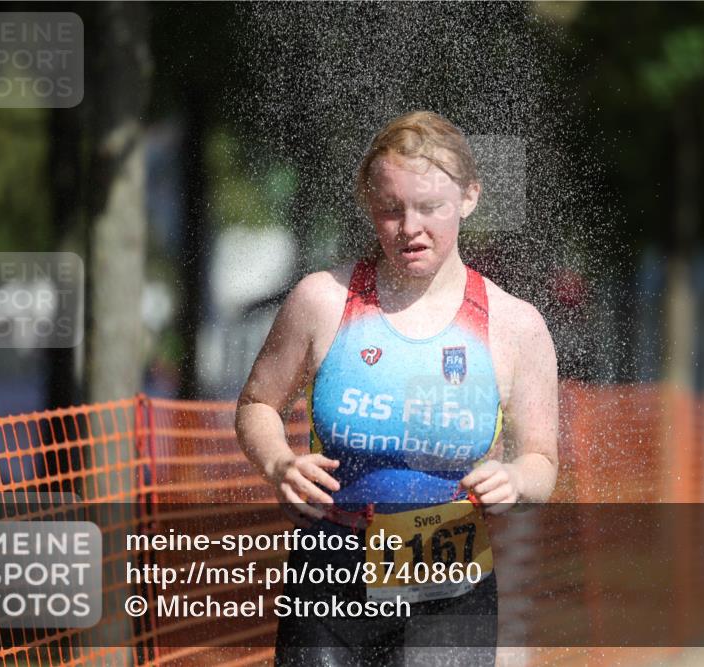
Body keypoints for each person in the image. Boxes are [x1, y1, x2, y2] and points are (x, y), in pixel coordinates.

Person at [236, 110, 558, 666]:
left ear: (470, 198)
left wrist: (516, 479)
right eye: (391, 209)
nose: (409, 227)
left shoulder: (515, 325)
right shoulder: (322, 300)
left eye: (430, 208)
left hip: (449, 578)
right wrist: (278, 463)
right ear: (369, 204)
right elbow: (256, 404)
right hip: (330, 565)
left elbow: (541, 461)